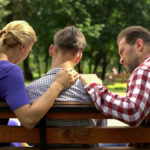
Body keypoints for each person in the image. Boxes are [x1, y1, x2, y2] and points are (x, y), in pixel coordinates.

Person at [26, 26, 106, 147]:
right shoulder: (93, 88)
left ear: (51, 50)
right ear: (79, 57)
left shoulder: (31, 89)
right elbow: (99, 134)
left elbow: (30, 139)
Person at [0, 20, 78, 130]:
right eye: (29, 50)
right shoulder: (10, 71)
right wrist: (58, 85)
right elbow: (28, 120)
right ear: (22, 47)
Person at [80, 26, 150, 147]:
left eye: (122, 52)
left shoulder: (144, 69)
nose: (121, 60)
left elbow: (132, 111)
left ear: (139, 45)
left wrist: (94, 87)